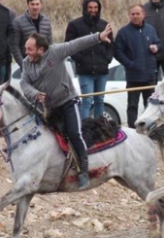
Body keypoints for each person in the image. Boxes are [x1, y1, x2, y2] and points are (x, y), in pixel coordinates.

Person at [20, 27, 113, 190]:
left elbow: (76, 44)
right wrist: (35, 94)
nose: (26, 52)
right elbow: (24, 83)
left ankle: (84, 171)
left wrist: (99, 36)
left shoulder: (55, 52)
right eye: (26, 48)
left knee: (74, 134)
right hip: (49, 108)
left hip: (68, 101)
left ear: (41, 50)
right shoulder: (26, 63)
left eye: (29, 49)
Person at [65, 0, 114, 120]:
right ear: (85, 8)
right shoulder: (74, 25)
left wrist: (107, 59)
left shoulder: (105, 25)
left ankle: (99, 127)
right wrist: (80, 59)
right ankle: (84, 128)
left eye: (95, 7)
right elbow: (69, 46)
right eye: (90, 7)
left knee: (100, 100)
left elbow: (111, 45)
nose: (93, 10)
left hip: (102, 70)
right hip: (85, 71)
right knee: (86, 101)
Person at [114, 5, 161, 128]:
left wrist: (156, 48)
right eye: (132, 14)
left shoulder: (150, 30)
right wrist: (130, 64)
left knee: (150, 105)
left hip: (150, 76)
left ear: (143, 14)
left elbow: (157, 43)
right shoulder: (123, 32)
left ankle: (150, 128)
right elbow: (118, 51)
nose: (135, 16)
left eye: (137, 14)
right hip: (133, 76)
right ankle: (132, 130)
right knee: (132, 105)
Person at [11, 0, 52, 64]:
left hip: (44, 64)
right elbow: (15, 46)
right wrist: (22, 64)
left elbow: (50, 44)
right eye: (32, 4)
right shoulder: (18, 22)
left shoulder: (46, 21)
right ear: (28, 5)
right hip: (27, 63)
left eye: (37, 4)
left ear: (41, 5)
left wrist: (50, 62)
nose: (35, 7)